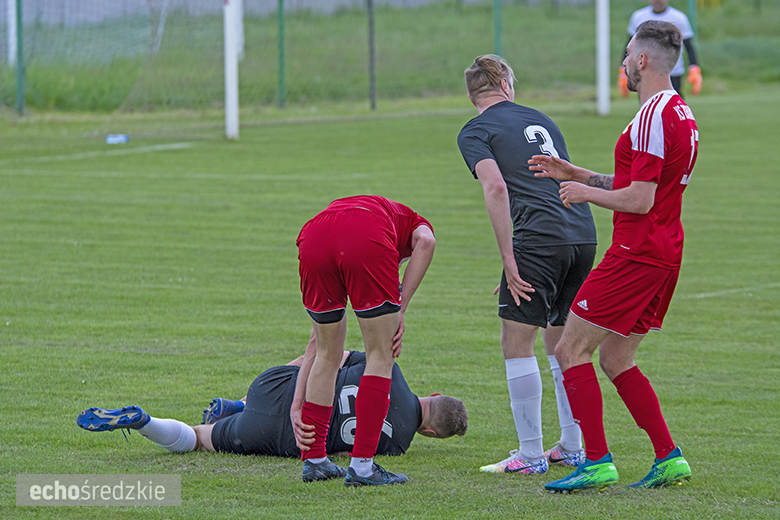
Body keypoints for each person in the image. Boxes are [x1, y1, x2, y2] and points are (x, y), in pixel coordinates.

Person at [530, 20, 698, 492]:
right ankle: (669, 457)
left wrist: (584, 192)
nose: (623, 62)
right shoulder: (680, 112)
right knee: (617, 358)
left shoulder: (650, 117)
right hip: (664, 251)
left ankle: (597, 460)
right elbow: (643, 185)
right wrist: (575, 171)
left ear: (642, 60)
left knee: (569, 349)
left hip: (636, 252)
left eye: (627, 54)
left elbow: (640, 200)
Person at [456, 55, 598, 475]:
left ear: (473, 94)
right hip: (581, 235)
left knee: (517, 344)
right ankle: (572, 448)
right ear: (504, 83)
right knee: (562, 345)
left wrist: (509, 259)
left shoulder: (476, 130)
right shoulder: (541, 118)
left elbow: (496, 187)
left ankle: (532, 455)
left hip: (538, 241)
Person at [76, 348, 468, 470]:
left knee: (313, 364)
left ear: (432, 394)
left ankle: (239, 403)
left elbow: (328, 355)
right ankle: (146, 423)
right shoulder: (398, 445)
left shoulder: (390, 371)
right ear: (430, 433)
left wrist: (282, 382)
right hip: (285, 437)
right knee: (198, 438)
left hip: (275, 390)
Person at [292, 195, 436, 486]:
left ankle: (315, 460)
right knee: (381, 355)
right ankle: (362, 467)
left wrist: (298, 404)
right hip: (366, 236)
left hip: (313, 235)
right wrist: (400, 306)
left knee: (327, 353)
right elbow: (426, 241)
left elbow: (314, 345)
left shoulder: (377, 209)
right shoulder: (413, 223)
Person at [618, 0, 702, 99]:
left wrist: (694, 68)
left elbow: (689, 46)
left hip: (672, 71)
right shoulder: (638, 17)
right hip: (645, 70)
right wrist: (623, 71)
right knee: (647, 102)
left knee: (672, 101)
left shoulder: (679, 18)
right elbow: (630, 45)